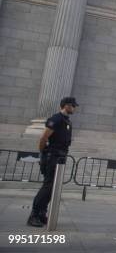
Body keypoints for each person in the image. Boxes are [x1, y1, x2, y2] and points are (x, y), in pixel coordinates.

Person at [27, 97, 77, 227]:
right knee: (48, 186)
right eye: (72, 105)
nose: (74, 108)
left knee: (52, 188)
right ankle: (34, 215)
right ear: (66, 105)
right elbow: (44, 137)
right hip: (52, 156)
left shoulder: (67, 121)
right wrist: (43, 153)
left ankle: (42, 213)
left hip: (60, 156)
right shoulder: (56, 119)